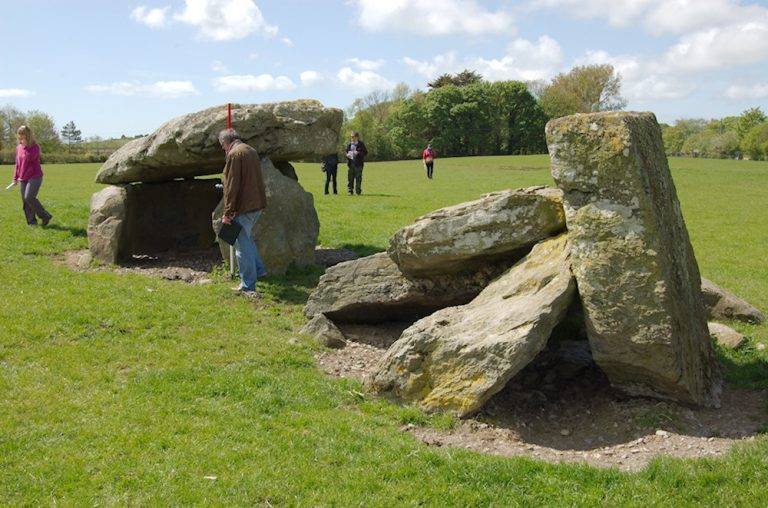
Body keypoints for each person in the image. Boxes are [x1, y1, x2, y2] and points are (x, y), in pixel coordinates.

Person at [218, 128, 268, 295]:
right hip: (256, 204)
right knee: (248, 239)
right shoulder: (250, 150)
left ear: (226, 143)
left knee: (242, 246)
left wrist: (228, 212)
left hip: (244, 207)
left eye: (222, 146)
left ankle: (247, 285)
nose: (223, 150)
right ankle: (259, 270)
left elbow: (232, 186)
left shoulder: (234, 154)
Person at [13, 125, 52, 226]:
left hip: (35, 176)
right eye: (19, 134)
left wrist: (25, 146)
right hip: (23, 177)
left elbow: (30, 158)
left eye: (23, 134)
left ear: (28, 135)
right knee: (25, 202)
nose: (20, 136)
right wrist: (15, 177)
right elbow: (18, 163)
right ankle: (31, 223)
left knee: (29, 197)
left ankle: (45, 215)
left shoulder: (35, 147)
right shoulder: (18, 148)